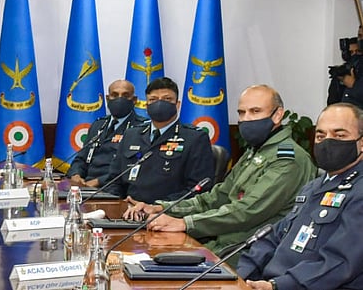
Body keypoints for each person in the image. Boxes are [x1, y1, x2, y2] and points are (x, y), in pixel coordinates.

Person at [123, 85, 317, 264]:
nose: (246, 118)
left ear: (277, 115)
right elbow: (216, 197)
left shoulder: (288, 160)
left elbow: (247, 211)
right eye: (242, 112)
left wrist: (185, 223)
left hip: (249, 253)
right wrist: (161, 208)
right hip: (221, 243)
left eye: (255, 111)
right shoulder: (255, 151)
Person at [238, 102, 363, 290]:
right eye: (320, 135)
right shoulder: (314, 186)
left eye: (339, 135)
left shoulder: (358, 191)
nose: (327, 141)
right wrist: (241, 275)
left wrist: (276, 286)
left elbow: (340, 262)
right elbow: (273, 237)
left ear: (361, 142)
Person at [105, 77, 215, 203]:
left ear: (177, 105)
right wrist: (119, 203)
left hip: (167, 215)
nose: (159, 103)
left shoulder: (195, 138)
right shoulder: (131, 135)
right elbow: (113, 181)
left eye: (167, 99)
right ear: (146, 105)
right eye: (153, 99)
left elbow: (198, 189)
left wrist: (157, 207)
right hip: (127, 212)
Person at [68, 79, 146, 188]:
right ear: (108, 99)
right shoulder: (98, 125)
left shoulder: (141, 128)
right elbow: (81, 158)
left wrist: (98, 181)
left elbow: (133, 167)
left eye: (125, 95)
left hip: (114, 188)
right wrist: (75, 174)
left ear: (134, 100)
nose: (120, 99)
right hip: (86, 186)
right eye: (115, 95)